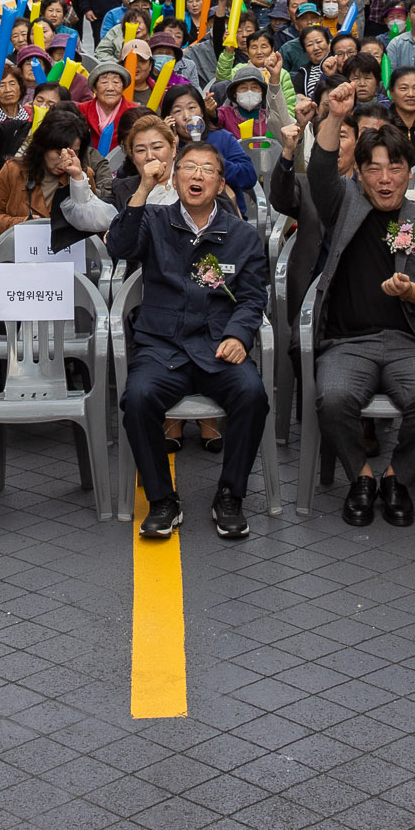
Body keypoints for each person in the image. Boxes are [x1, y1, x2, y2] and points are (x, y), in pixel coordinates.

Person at [108, 139, 272, 542]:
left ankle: (230, 496)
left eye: (208, 170)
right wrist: (143, 190)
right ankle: (163, 499)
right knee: (139, 397)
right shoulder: (155, 219)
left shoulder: (242, 235)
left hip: (218, 347)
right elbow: (120, 245)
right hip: (163, 347)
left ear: (219, 184)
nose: (197, 175)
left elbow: (253, 297)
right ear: (175, 176)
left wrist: (238, 334)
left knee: (252, 394)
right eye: (189, 168)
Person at [301, 109, 415, 527]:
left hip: (411, 344)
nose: (385, 179)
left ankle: (395, 477)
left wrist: (413, 291)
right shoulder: (345, 204)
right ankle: (362, 477)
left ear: (409, 172)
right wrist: (333, 114)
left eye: (395, 168)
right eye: (374, 169)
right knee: (331, 399)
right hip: (349, 343)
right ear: (361, 174)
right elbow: (319, 171)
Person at [0, 107, 115, 243]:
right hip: (14, 252)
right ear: (43, 146)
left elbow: (93, 225)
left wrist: (78, 181)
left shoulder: (82, 176)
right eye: (58, 153)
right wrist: (24, 224)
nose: (65, 160)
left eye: (73, 153)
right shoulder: (13, 170)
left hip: (65, 257)